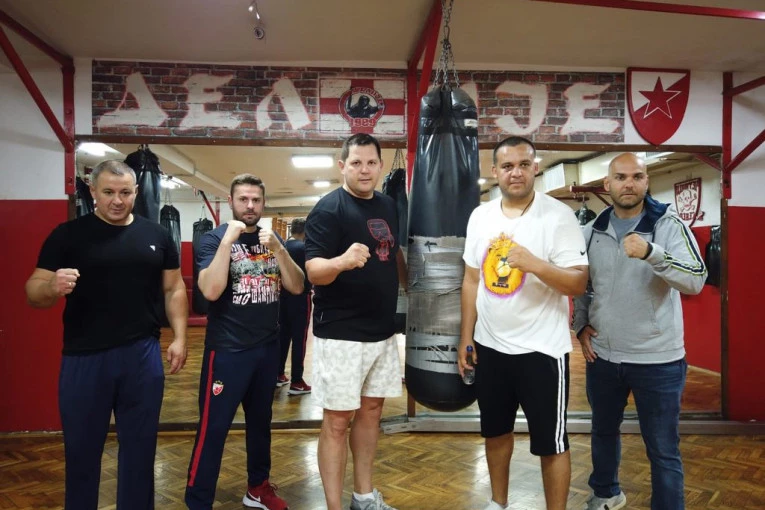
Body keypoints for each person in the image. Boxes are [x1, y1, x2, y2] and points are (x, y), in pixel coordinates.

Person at [25, 160, 188, 509]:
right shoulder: (67, 235)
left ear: (136, 192)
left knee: (140, 450)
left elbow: (173, 288)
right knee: (82, 452)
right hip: (84, 356)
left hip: (141, 354)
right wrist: (51, 287)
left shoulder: (156, 235)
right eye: (109, 192)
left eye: (125, 192)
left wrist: (180, 337)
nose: (117, 200)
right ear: (93, 192)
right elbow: (33, 291)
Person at [458, 136, 589, 510]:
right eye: (507, 166)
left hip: (542, 351)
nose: (515, 173)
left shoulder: (558, 216)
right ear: (495, 171)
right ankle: (497, 503)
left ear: (535, 168)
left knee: (551, 443)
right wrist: (466, 336)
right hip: (490, 346)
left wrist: (535, 265)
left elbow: (578, 283)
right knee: (495, 433)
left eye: (523, 165)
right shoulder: (480, 216)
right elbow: (471, 280)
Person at [572, 153, 707, 510]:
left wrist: (653, 253)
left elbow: (696, 279)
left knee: (662, 448)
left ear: (647, 181)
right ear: (607, 184)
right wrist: (580, 325)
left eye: (636, 176)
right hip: (604, 356)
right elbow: (583, 286)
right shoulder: (591, 230)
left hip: (658, 360)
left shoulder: (668, 225)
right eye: (620, 177)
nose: (628, 183)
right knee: (602, 432)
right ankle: (606, 494)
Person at [184, 174, 305, 510]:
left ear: (263, 203)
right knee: (213, 429)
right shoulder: (213, 239)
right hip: (227, 351)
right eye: (243, 199)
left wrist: (279, 249)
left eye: (256, 200)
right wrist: (228, 242)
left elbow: (297, 286)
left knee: (260, 425)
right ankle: (198, 501)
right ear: (231, 201)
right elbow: (210, 292)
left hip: (266, 350)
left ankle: (257, 488)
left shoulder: (272, 240)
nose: (250, 206)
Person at [304, 133, 407, 510]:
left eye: (371, 163)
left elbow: (390, 253)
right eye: (356, 163)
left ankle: (363, 497)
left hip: (381, 332)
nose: (364, 170)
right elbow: (314, 271)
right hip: (342, 334)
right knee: (336, 421)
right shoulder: (328, 209)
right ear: (342, 166)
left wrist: (411, 284)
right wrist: (342, 261)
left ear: (380, 166)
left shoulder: (388, 204)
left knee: (371, 413)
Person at [276, 217, 313, 395]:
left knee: (283, 337)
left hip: (282, 297)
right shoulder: (304, 248)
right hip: (300, 298)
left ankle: (278, 374)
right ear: (305, 231)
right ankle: (297, 381)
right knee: (300, 339)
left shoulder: (282, 247)